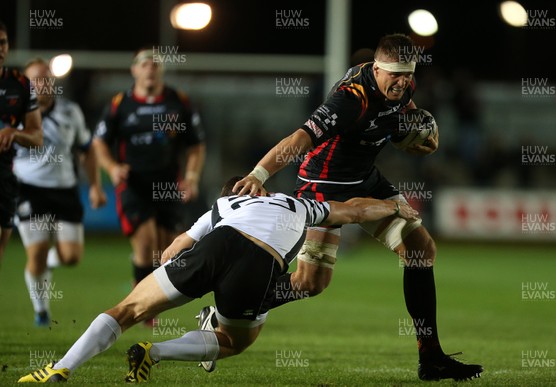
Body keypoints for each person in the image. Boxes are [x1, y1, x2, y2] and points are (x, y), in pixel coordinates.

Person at [212, 33, 483, 381]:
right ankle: (228, 306)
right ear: (377, 67)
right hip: (323, 188)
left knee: (421, 250)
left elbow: (407, 116)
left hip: (367, 180)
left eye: (408, 75)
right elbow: (298, 139)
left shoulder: (405, 86)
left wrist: (418, 134)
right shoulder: (350, 99)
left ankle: (430, 356)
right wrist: (259, 173)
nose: (402, 82)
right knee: (310, 283)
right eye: (395, 74)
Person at [17, 176, 419, 383]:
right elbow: (351, 211)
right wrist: (393, 206)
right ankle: (153, 353)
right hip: (259, 263)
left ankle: (61, 367)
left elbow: (176, 248)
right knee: (233, 341)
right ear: (259, 191)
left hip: (215, 245)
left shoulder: (222, 206)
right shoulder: (296, 203)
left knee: (126, 309)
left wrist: (169, 278)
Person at [92, 48, 206, 316]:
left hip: (169, 184)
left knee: (166, 249)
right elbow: (98, 142)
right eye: (144, 64)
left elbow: (197, 145)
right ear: (134, 70)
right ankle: (140, 310)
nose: (150, 68)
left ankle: (143, 294)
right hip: (134, 184)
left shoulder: (179, 102)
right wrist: (111, 167)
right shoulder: (121, 104)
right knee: (145, 243)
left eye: (155, 63)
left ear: (162, 70)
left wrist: (191, 177)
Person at [12, 58, 107, 326]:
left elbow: (87, 149)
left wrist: (96, 186)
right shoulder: (14, 113)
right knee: (37, 251)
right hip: (29, 190)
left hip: (65, 190)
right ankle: (41, 311)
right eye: (36, 79)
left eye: (47, 78)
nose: (42, 84)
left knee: (71, 257)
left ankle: (49, 263)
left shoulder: (70, 111)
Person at [0, 20, 43, 267]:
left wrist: (14, 134)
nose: (0, 48)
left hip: (3, 176)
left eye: (3, 42)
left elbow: (37, 138)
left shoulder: (21, 84)